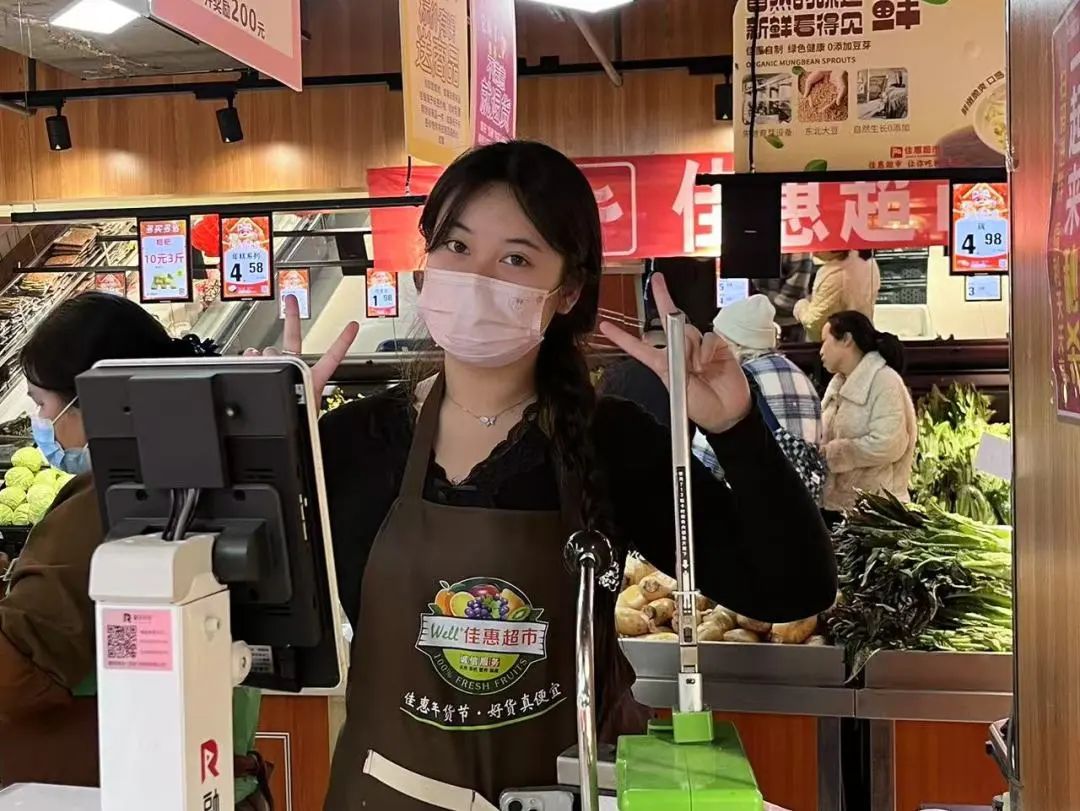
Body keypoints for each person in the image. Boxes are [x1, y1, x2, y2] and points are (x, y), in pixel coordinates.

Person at [268, 141, 836, 808]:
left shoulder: (609, 440)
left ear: (566, 292)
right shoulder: (347, 442)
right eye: (456, 246)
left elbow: (790, 587)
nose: (476, 277)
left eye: (514, 258)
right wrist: (265, 444)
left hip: (563, 794)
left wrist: (736, 427)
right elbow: (246, 622)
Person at [0, 293, 270, 808]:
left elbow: (18, 674)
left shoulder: (110, 499)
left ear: (88, 398)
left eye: (41, 403)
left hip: (110, 784)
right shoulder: (210, 471)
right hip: (210, 775)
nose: (40, 420)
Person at [692, 295, 824, 500]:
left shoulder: (736, 383)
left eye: (718, 340)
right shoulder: (800, 376)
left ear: (733, 344)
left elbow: (706, 460)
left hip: (751, 503)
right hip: (803, 505)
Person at [818, 310, 917, 521]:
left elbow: (889, 443)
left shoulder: (884, 381)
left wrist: (836, 453)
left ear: (846, 339)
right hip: (838, 508)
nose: (821, 351)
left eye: (825, 341)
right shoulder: (838, 384)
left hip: (877, 511)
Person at [793, 250, 881, 341]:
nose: (814, 252)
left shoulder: (835, 275)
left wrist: (801, 306)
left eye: (820, 248)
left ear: (837, 249)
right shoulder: (869, 262)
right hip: (863, 337)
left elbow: (814, 323)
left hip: (837, 343)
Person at [753, 252, 814, 343]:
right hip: (753, 322)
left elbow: (790, 301)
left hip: (786, 325)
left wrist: (755, 301)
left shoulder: (797, 250)